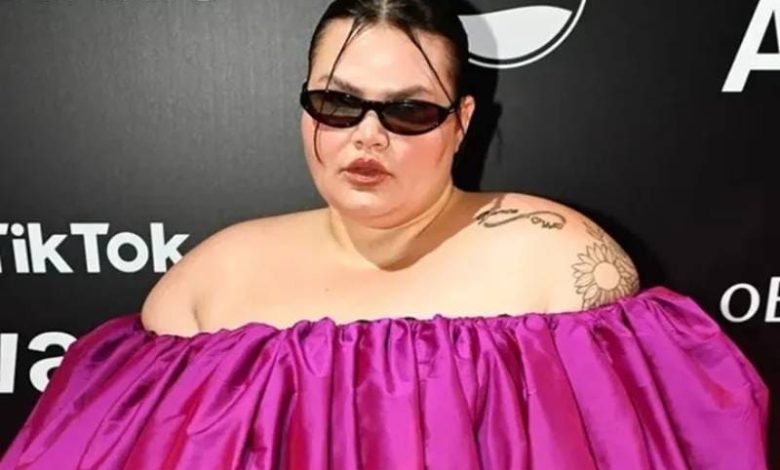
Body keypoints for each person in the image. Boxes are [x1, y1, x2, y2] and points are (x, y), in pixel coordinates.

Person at [0, 0, 769, 469]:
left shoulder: (561, 262)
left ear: (462, 122)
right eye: (338, 104)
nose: (367, 136)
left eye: (407, 111)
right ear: (305, 107)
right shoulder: (210, 283)